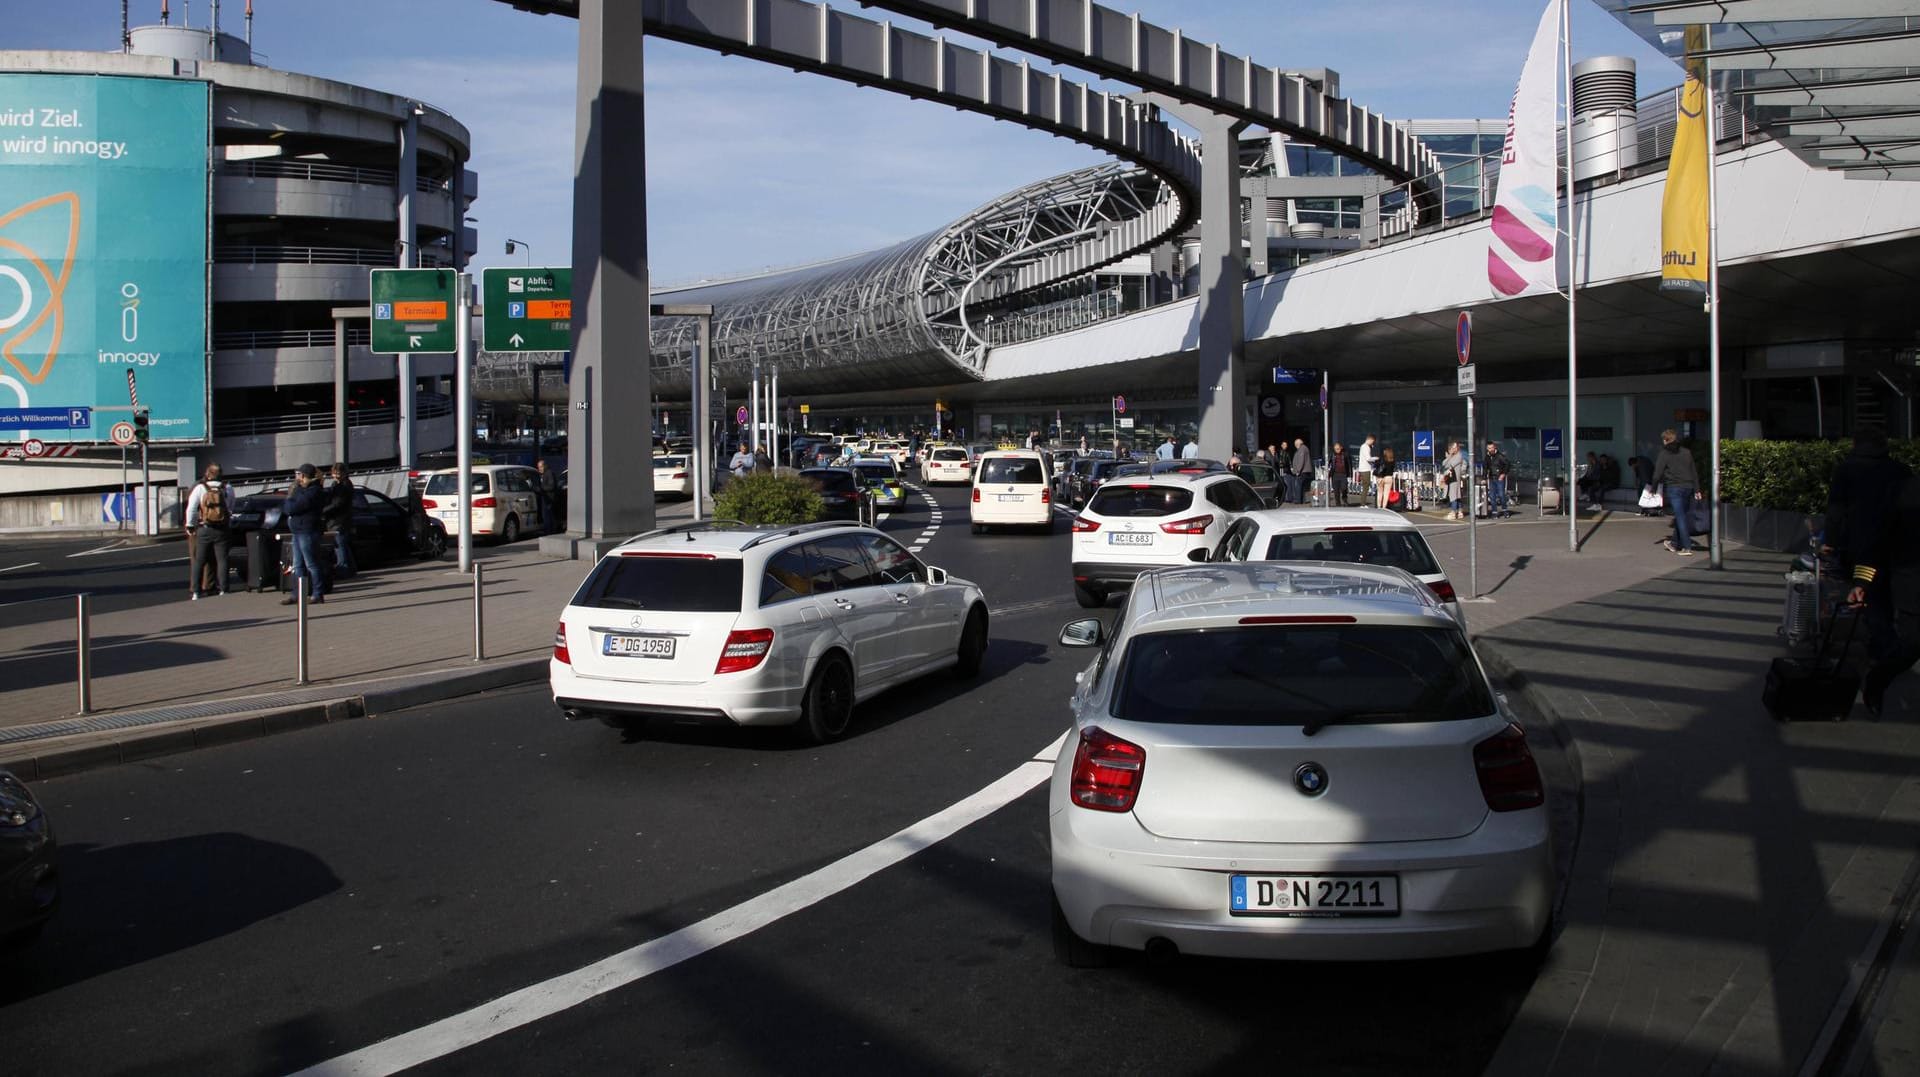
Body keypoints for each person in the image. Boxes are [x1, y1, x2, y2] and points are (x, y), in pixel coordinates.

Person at [1826, 425, 1911, 664]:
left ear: (1855, 444)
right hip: (1897, 544)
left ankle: (1883, 644)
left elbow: (1836, 511)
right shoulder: (1900, 470)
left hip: (1861, 545)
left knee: (1870, 592)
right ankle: (1891, 639)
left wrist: (1830, 542)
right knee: (1891, 592)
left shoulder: (1847, 470)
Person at [1848, 471, 1920, 717]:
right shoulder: (1903, 491)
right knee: (1912, 644)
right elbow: (1876, 542)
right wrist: (1862, 582)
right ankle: (1877, 680)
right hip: (1913, 586)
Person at [1649, 429, 1703, 555]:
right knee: (1681, 516)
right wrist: (1697, 489)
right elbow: (1693, 472)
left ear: (1665, 440)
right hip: (1688, 487)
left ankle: (1687, 547)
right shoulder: (1686, 452)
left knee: (1680, 517)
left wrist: (1653, 489)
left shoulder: (1665, 453)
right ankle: (1674, 543)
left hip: (1675, 488)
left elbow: (1657, 474)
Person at [183, 463, 233, 600]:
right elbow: (231, 507)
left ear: (208, 474)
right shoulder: (227, 488)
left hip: (204, 528)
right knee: (222, 560)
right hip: (222, 529)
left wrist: (190, 525)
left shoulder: (200, 488)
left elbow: (191, 508)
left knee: (199, 560)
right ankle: (224, 589)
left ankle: (196, 591)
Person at [280, 464, 326, 605]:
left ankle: (318, 593)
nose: (297, 478)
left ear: (305, 476)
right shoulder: (300, 489)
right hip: (297, 531)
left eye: (299, 475)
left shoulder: (314, 491)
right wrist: (290, 499)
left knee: (311, 564)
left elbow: (293, 507)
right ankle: (297, 593)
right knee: (298, 565)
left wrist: (290, 500)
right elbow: (287, 508)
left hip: (308, 530)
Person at [323, 462, 357, 579]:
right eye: (334, 473)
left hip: (339, 520)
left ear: (344, 473)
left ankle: (343, 568)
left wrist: (324, 511)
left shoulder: (344, 485)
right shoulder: (338, 484)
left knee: (339, 545)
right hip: (340, 520)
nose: (336, 476)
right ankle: (350, 568)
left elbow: (338, 503)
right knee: (343, 545)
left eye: (338, 473)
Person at [1486, 442, 1513, 518]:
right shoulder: (1487, 456)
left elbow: (1507, 464)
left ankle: (1505, 510)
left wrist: (1503, 474)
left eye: (1491, 448)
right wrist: (1484, 477)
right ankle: (1494, 512)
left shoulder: (1500, 456)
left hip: (1499, 478)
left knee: (1501, 495)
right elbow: (1486, 467)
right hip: (1491, 478)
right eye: (1488, 448)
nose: (1490, 450)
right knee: (1492, 496)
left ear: (1495, 447)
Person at [1441, 441, 1467, 520]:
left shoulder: (1459, 456)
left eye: (1455, 447)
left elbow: (1450, 465)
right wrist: (1449, 457)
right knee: (1456, 495)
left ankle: (1453, 512)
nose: (1454, 449)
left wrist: (1449, 457)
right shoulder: (1452, 456)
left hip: (1455, 478)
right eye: (1453, 447)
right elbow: (1443, 464)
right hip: (1451, 478)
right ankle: (1460, 511)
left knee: (1454, 496)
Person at [534, 458, 560, 534]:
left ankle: (549, 531)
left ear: (545, 466)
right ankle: (549, 530)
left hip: (549, 499)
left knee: (548, 516)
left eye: (540, 467)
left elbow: (551, 486)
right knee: (546, 516)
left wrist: (541, 488)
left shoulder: (549, 473)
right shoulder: (543, 474)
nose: (539, 469)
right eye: (538, 467)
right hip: (545, 498)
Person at [1290, 438, 1313, 504]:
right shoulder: (1304, 448)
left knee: (1298, 485)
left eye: (1295, 445)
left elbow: (1301, 460)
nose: (1295, 446)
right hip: (1304, 471)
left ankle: (1298, 500)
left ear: (1298, 444)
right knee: (1302, 486)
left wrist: (1298, 471)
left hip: (1302, 471)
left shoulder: (1302, 449)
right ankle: (1302, 500)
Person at [1356, 435, 1377, 503]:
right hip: (1365, 469)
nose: (1372, 443)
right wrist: (1376, 458)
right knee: (1366, 486)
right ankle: (1363, 503)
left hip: (1363, 468)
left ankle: (1363, 502)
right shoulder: (1366, 447)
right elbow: (1368, 458)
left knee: (1365, 486)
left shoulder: (1364, 446)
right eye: (1373, 442)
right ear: (1370, 440)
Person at [1328, 442, 1350, 507]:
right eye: (1335, 449)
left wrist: (1350, 475)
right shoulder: (1332, 454)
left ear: (1341, 447)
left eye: (1338, 449)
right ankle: (1338, 503)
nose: (1337, 450)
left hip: (1343, 474)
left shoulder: (1345, 454)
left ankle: (1344, 499)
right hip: (1335, 474)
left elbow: (1349, 464)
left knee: (1344, 488)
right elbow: (1328, 463)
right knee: (1336, 490)